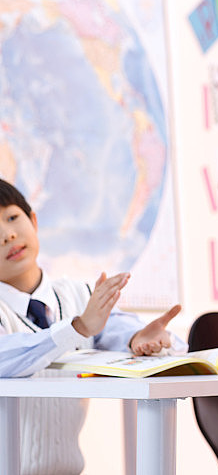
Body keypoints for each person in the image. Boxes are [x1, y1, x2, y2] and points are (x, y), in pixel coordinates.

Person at [0, 178, 184, 475]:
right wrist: (76, 328)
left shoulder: (78, 295)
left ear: (33, 220)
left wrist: (140, 338)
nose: (7, 235)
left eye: (12, 218)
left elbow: (113, 328)